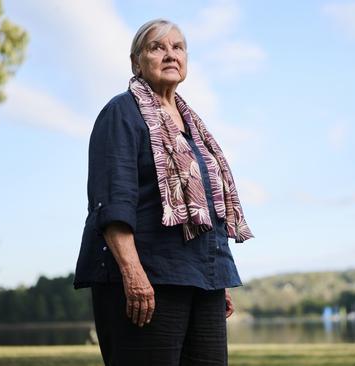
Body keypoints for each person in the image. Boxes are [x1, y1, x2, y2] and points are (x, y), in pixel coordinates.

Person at [73, 19, 254, 366]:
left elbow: (208, 211)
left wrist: (213, 279)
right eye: (157, 47)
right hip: (149, 280)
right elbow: (112, 200)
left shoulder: (195, 129)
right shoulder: (122, 112)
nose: (170, 54)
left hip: (201, 284)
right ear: (136, 62)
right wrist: (133, 273)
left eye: (178, 47)